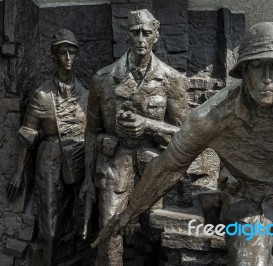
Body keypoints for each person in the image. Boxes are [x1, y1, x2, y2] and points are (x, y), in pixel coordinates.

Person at [96, 22, 273, 265]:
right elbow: (168, 167)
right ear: (243, 71)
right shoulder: (212, 116)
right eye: (257, 66)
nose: (267, 79)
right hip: (246, 199)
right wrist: (129, 212)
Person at [82, 9, 188, 265]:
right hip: (114, 166)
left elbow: (186, 135)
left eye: (146, 33)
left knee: (159, 235)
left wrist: (149, 125)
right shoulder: (103, 79)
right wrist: (88, 176)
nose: (141, 38)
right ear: (126, 35)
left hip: (155, 167)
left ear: (156, 36)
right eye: (135, 32)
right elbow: (91, 131)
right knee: (108, 233)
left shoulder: (171, 79)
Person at [7, 29, 87, 265]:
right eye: (63, 53)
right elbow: (27, 135)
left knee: (79, 222)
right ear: (55, 56)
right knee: (50, 227)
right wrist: (19, 172)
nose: (68, 58)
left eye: (72, 52)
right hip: (49, 159)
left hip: (79, 160)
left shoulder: (86, 94)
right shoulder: (42, 95)